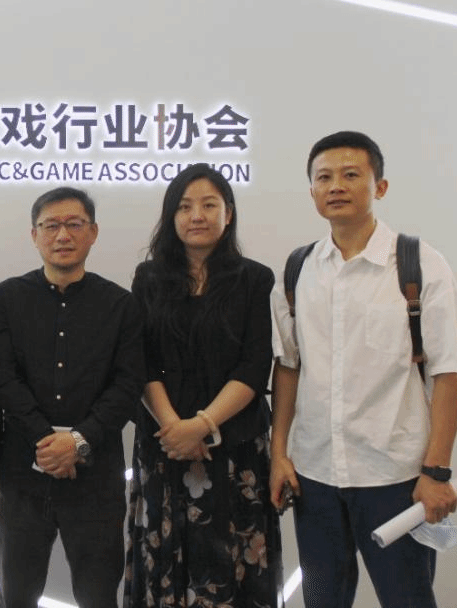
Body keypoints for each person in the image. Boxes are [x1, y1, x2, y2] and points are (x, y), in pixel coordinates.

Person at [270, 131, 457, 608]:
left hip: (395, 478)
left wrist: (436, 470)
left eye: (350, 174)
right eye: (324, 177)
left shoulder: (419, 264)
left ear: (379, 186)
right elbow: (288, 368)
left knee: (407, 599)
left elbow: (449, 372)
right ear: (312, 191)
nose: (336, 185)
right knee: (322, 599)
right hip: (315, 477)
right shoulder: (298, 270)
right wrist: (279, 454)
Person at [123, 164, 281, 607]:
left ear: (228, 214)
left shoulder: (256, 279)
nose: (197, 215)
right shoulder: (149, 278)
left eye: (209, 205)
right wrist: (176, 428)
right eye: (185, 206)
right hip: (165, 445)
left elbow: (255, 366)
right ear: (171, 217)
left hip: (234, 447)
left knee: (232, 563)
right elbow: (141, 362)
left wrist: (203, 425)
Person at [0, 186, 144, 608]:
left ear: (93, 232)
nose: (62, 235)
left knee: (98, 596)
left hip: (96, 478)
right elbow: (3, 380)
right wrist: (47, 442)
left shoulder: (121, 305)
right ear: (34, 234)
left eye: (74, 224)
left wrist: (77, 443)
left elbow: (127, 386)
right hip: (22, 476)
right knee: (16, 595)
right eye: (51, 225)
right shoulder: (7, 298)